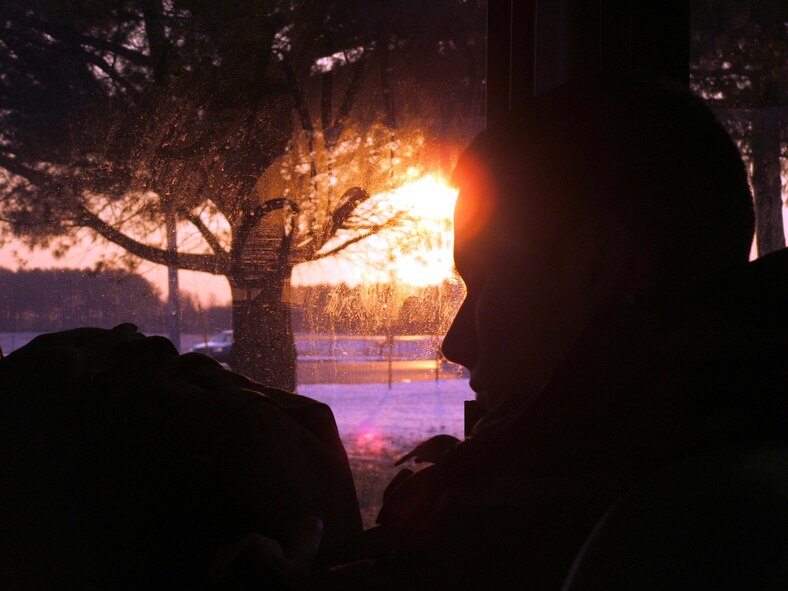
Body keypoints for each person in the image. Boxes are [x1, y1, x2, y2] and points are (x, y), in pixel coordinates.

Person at [310, 73, 787, 589]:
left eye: (485, 280)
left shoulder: (556, 531)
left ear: (597, 268)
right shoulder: (722, 467)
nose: (455, 344)